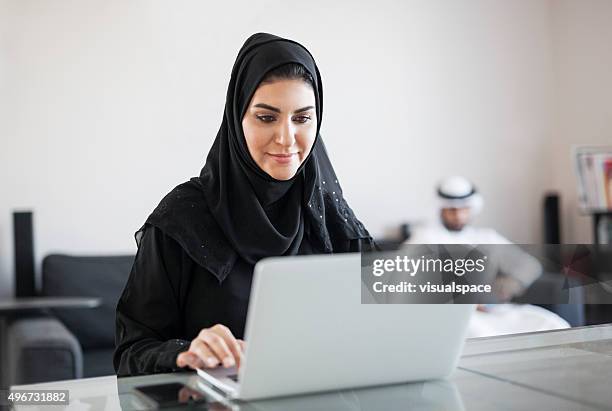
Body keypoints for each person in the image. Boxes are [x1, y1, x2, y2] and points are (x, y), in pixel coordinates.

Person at [113, 33, 374, 377]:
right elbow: (132, 351)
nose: (286, 138)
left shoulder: (327, 212)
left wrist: (460, 279)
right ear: (237, 119)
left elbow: (390, 301)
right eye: (267, 117)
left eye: (302, 118)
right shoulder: (182, 218)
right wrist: (185, 352)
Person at [407, 176, 569, 337]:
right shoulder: (425, 238)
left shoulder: (486, 237)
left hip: (492, 310)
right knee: (479, 334)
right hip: (451, 315)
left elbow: (529, 266)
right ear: (441, 209)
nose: (458, 216)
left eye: (464, 209)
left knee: (551, 324)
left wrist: (500, 290)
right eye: (452, 210)